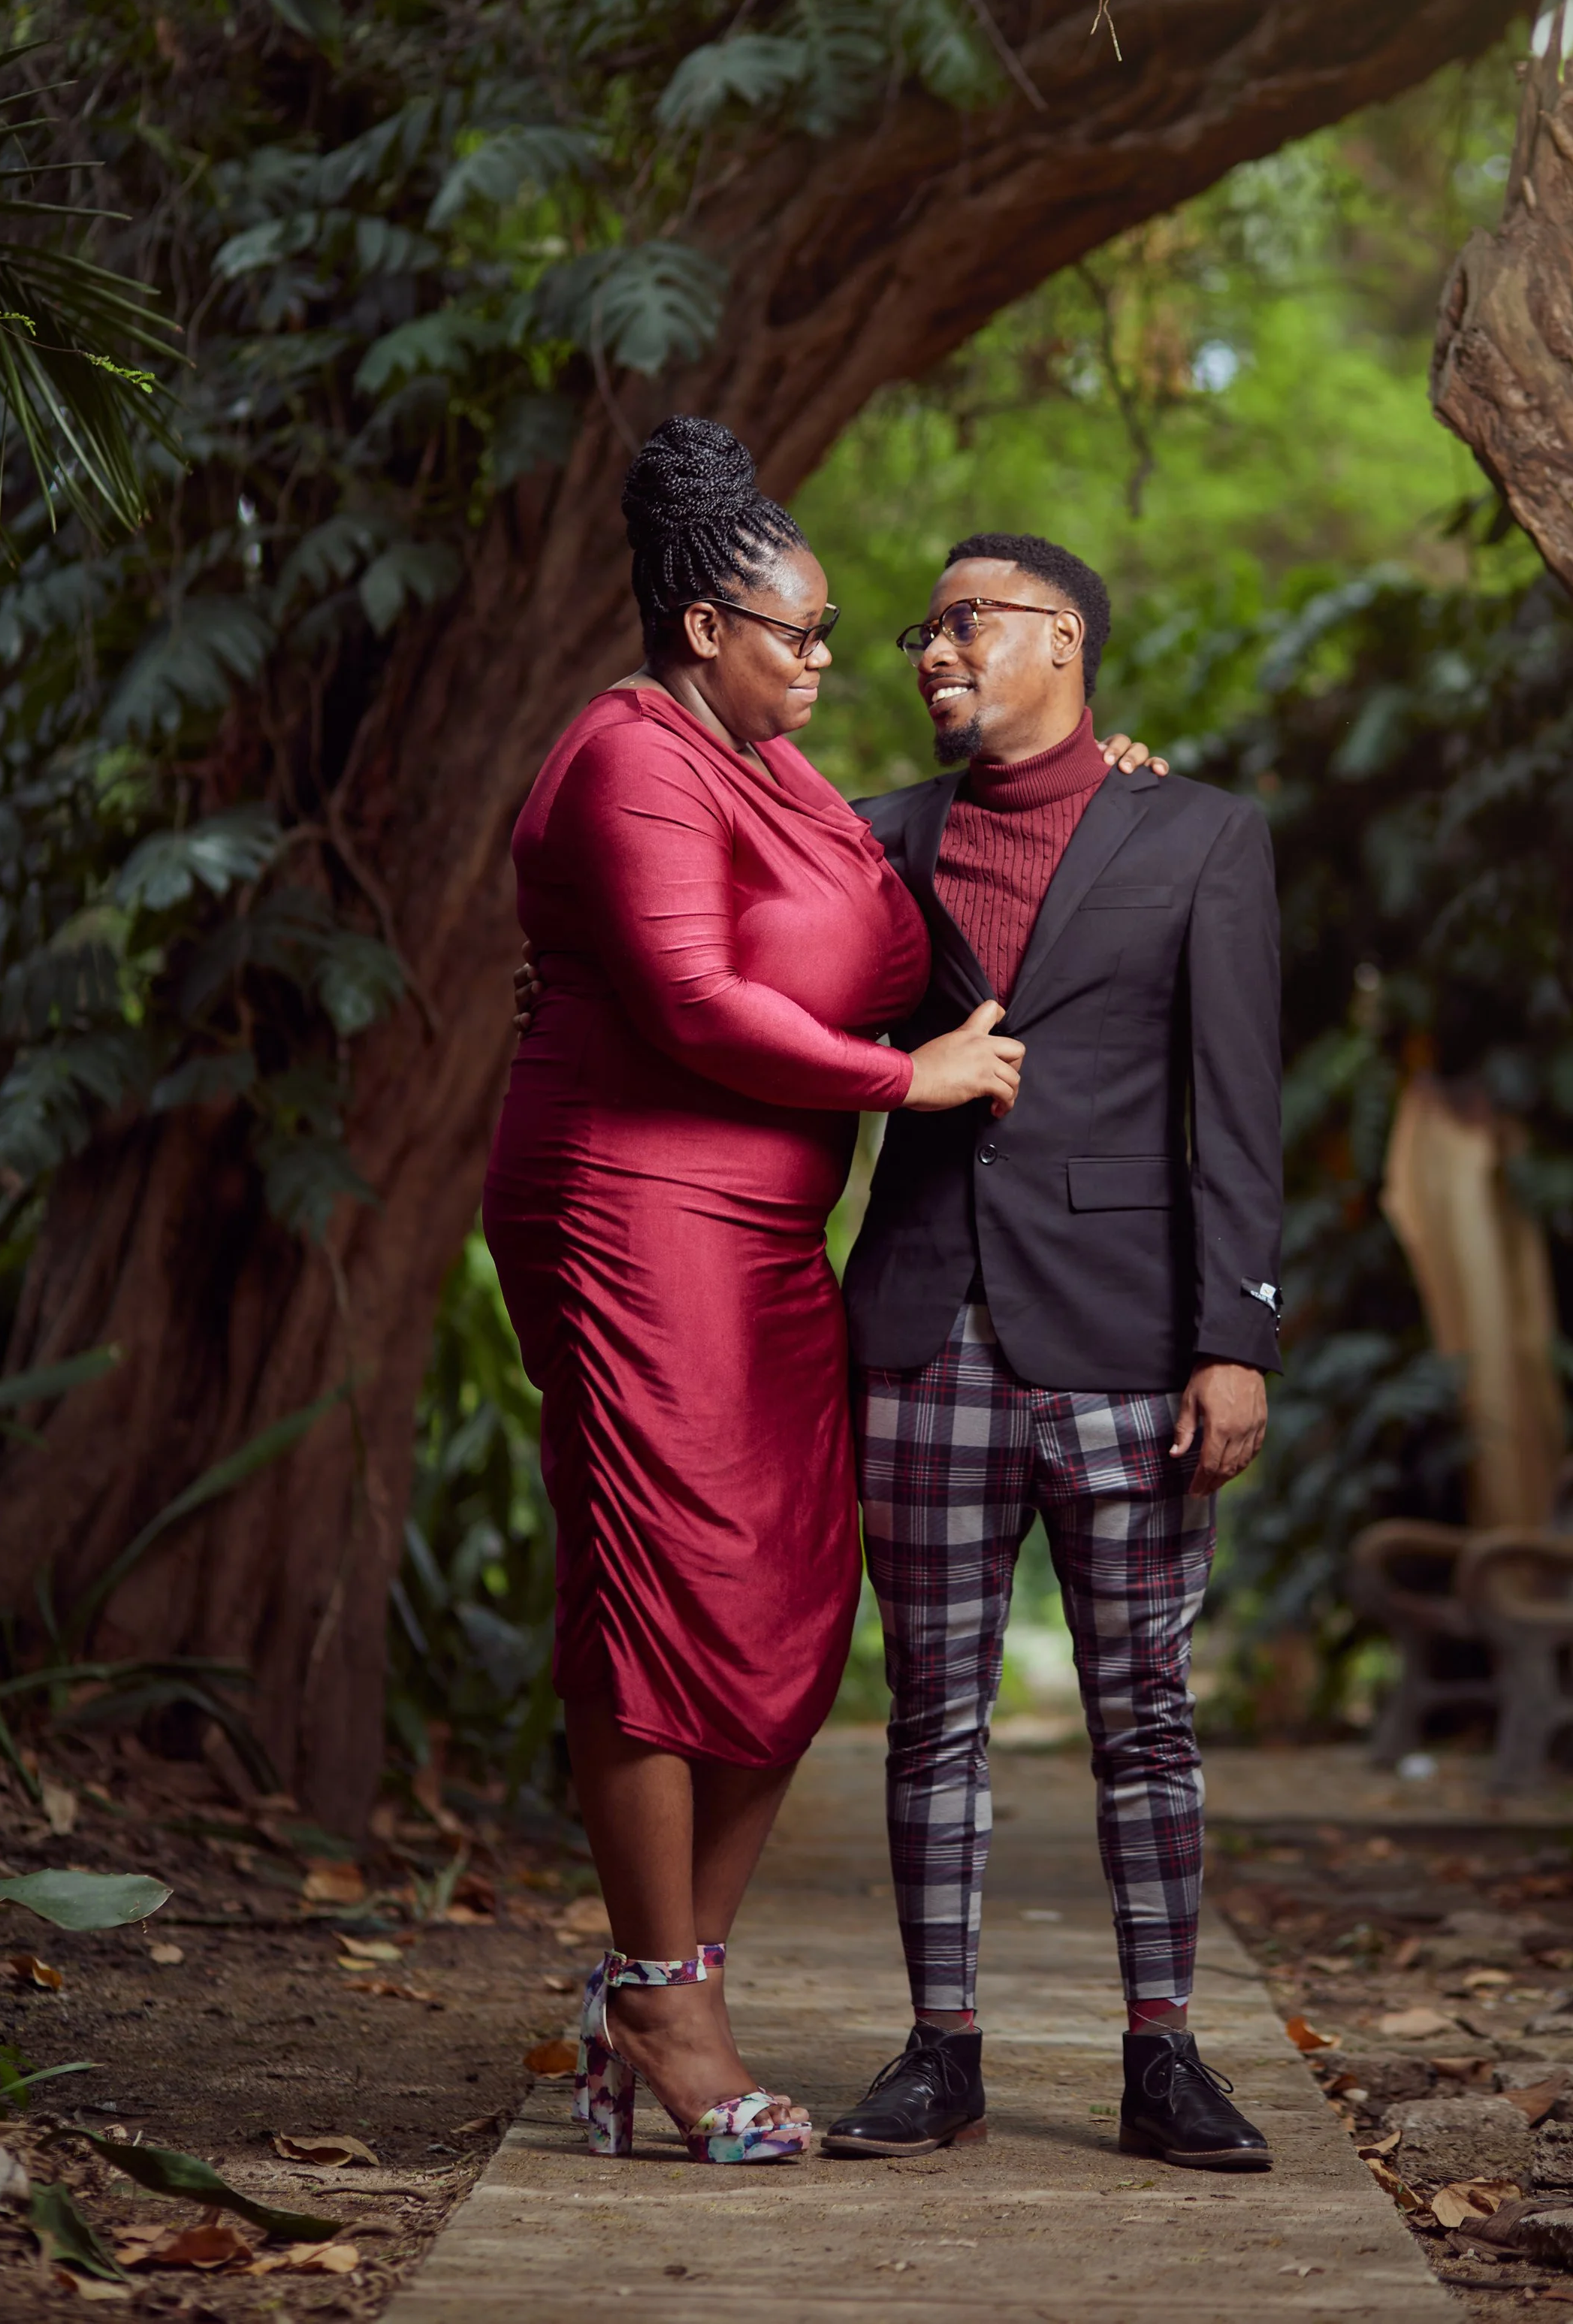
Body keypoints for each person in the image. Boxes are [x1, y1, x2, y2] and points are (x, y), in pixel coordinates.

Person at [489, 430, 1156, 2167]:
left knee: (792, 1592)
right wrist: (904, 1085)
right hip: (628, 1211)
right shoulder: (626, 759)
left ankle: (670, 1976)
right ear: (705, 625)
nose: (829, 662)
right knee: (655, 1586)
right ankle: (664, 1993)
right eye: (798, 634)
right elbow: (699, 1002)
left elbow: (907, 891)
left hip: (772, 1243)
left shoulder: (776, 768)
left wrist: (1095, 787)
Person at [823, 533, 1282, 2174]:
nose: (931, 649)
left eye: (965, 621)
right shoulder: (871, 834)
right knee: (930, 1710)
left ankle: (1161, 2054)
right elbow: (732, 960)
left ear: (1062, 638)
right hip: (921, 1330)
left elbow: (1235, 1109)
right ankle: (938, 2051)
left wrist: (1232, 1341)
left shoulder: (1204, 836)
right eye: (919, 629)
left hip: (1129, 1344)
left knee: (1143, 1713)